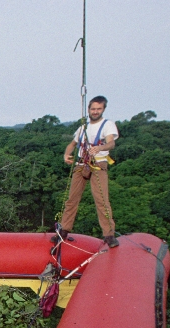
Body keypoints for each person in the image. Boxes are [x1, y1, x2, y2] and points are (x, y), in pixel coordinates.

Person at [57, 96, 120, 248]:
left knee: (101, 199)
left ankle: (109, 234)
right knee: (72, 198)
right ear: (89, 110)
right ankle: (64, 230)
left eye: (98, 109)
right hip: (81, 163)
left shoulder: (107, 125)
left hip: (98, 163)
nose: (95, 112)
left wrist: (100, 147)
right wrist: (66, 154)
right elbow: (72, 144)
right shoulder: (83, 127)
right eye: (93, 109)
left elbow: (111, 143)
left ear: (103, 109)